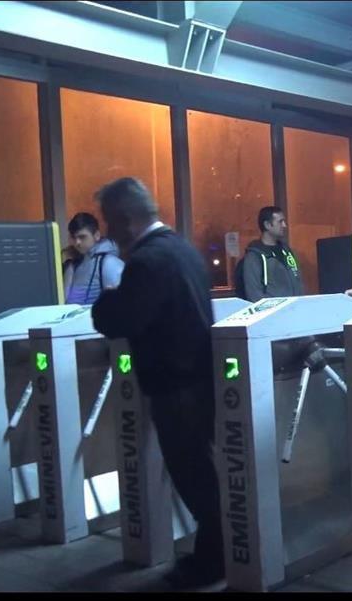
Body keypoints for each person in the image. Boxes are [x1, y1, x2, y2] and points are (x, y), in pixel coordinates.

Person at [90, 178, 225, 589]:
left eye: (110, 222)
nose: (108, 232)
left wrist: (108, 297)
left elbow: (117, 319)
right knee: (201, 470)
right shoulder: (183, 250)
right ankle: (217, 554)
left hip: (174, 387)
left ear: (127, 219)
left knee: (192, 475)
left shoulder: (147, 262)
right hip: (200, 378)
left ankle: (213, 561)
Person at [238, 206, 303, 302]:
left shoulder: (287, 252)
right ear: (267, 225)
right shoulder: (254, 257)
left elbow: (298, 281)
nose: (284, 225)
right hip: (273, 311)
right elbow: (254, 294)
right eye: (280, 222)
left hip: (295, 308)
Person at [62, 212, 124, 304]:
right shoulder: (74, 264)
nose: (77, 242)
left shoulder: (108, 262)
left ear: (96, 235)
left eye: (82, 237)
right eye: (74, 238)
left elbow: (120, 302)